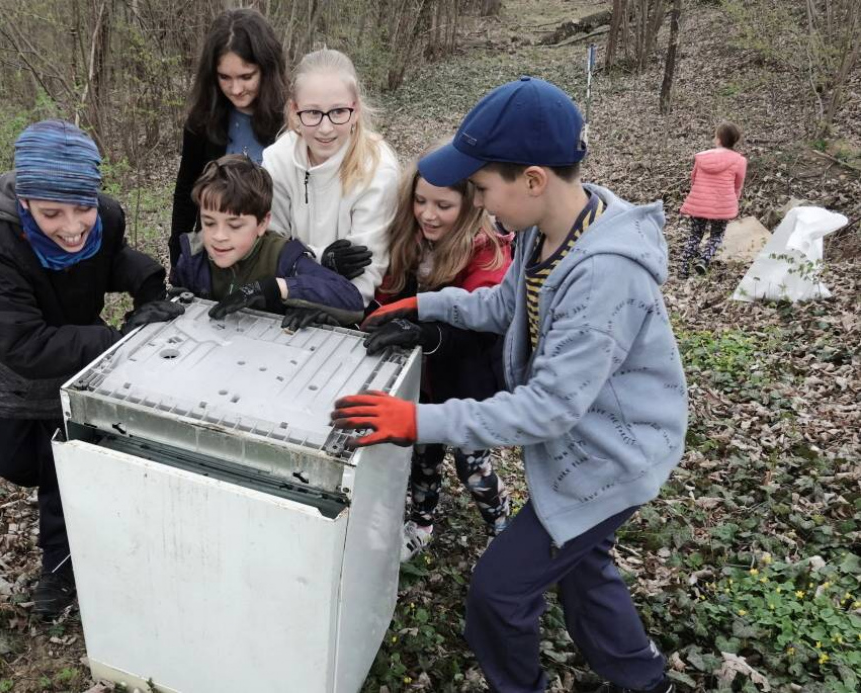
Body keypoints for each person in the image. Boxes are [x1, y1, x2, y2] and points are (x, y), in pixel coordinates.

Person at [331, 78, 687, 693]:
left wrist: (417, 420)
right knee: (583, 570)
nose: (478, 201)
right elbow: (505, 306)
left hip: (609, 460)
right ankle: (643, 679)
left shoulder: (605, 276)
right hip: (584, 448)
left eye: (482, 187)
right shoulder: (544, 230)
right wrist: (426, 303)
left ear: (532, 178)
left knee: (498, 593)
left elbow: (547, 408)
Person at [0, 120, 181, 618]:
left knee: (62, 468)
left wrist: (149, 287)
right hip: (9, 375)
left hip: (73, 365)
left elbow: (112, 259)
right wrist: (118, 338)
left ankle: (60, 571)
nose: (71, 226)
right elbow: (20, 342)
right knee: (19, 466)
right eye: (51, 213)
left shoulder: (104, 216)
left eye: (82, 207)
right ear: (25, 204)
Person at [368, 152, 513, 561]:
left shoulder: (487, 254)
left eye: (443, 206)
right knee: (423, 453)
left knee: (472, 464)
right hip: (423, 379)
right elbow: (390, 293)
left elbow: (480, 328)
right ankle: (421, 520)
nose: (428, 215)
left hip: (469, 384)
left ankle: (501, 526)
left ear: (470, 205)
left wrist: (425, 332)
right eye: (420, 201)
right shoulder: (409, 241)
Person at [261, 48, 400, 307]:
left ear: (355, 110)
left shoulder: (378, 170)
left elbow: (364, 280)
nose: (325, 129)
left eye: (338, 112)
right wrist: (323, 258)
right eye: (313, 113)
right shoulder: (277, 160)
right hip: (287, 297)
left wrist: (299, 262)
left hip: (349, 310)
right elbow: (269, 249)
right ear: (295, 111)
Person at [173, 154, 365, 328]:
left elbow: (352, 301)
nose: (219, 236)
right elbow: (180, 308)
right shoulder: (194, 256)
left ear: (262, 223)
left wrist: (277, 287)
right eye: (209, 222)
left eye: (235, 225)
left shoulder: (282, 256)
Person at [169, 8, 287, 275]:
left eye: (246, 77)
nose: (236, 89)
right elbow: (186, 194)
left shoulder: (291, 123)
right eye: (225, 77)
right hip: (215, 261)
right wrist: (178, 260)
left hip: (274, 262)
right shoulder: (202, 122)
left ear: (267, 70)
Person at [678, 121, 747, 278]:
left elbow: (693, 178)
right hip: (722, 205)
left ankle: (683, 270)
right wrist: (733, 201)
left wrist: (698, 193)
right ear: (735, 140)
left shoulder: (702, 157)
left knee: (695, 236)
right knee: (716, 236)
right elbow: (738, 185)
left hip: (699, 203)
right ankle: (704, 259)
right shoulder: (739, 161)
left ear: (718, 139)